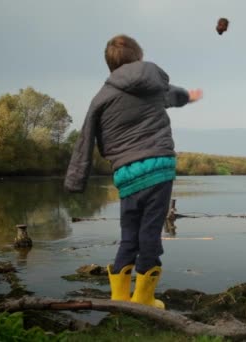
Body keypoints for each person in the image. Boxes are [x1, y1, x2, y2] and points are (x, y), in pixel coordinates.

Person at [64, 34, 202, 309]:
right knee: (149, 233)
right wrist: (188, 96)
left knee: (130, 234)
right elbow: (173, 95)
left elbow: (85, 138)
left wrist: (75, 180)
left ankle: (119, 298)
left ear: (110, 66)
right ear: (138, 58)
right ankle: (144, 299)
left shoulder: (101, 97)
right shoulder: (152, 84)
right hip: (159, 168)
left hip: (127, 173)